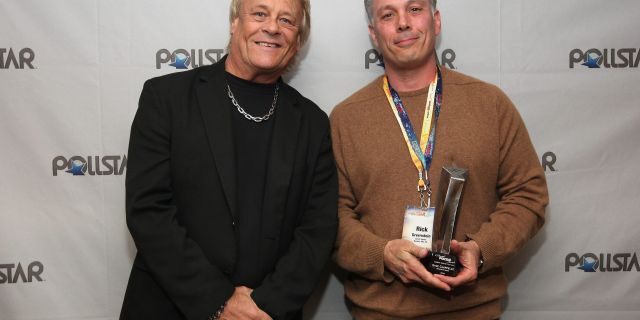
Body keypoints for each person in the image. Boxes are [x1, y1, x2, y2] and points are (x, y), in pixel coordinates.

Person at [330, 0, 549, 318]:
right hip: (379, 312)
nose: (403, 22)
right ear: (374, 35)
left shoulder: (490, 104)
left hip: (474, 311)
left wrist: (479, 249)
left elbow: (528, 195)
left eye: (414, 9)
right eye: (388, 15)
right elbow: (332, 217)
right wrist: (383, 254)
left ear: (436, 20)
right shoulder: (345, 118)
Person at [120, 0, 337, 319]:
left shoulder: (313, 124)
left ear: (298, 40)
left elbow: (318, 228)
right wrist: (219, 301)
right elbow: (148, 210)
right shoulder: (166, 100)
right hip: (170, 308)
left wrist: (264, 306)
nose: (273, 27)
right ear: (235, 22)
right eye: (260, 14)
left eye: (287, 20)